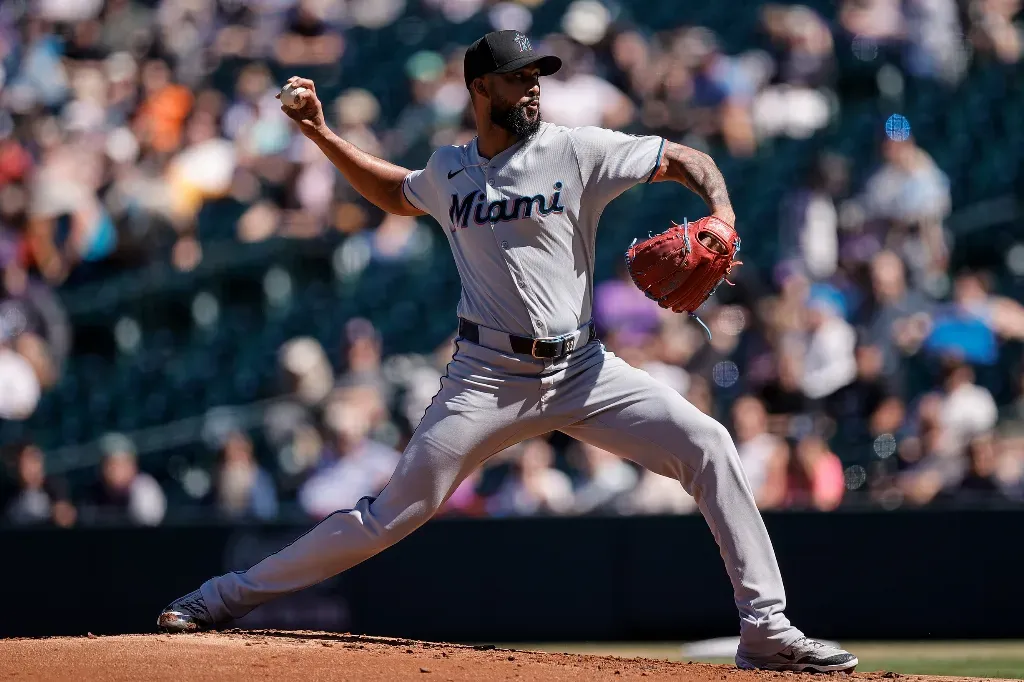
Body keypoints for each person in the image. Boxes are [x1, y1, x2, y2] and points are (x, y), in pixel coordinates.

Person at [157, 30, 857, 673]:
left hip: (583, 369)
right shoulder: (450, 170)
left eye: (536, 77)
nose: (531, 88)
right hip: (485, 377)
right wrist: (320, 133)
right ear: (479, 89)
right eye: (516, 77)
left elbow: (686, 158)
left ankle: (766, 626)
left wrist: (723, 214)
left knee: (709, 443)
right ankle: (221, 598)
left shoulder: (575, 148)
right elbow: (395, 194)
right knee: (388, 515)